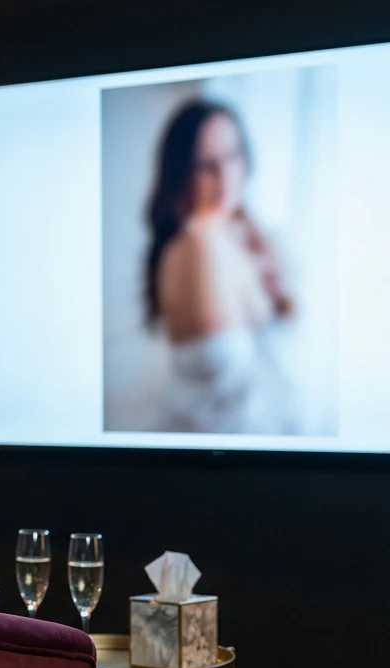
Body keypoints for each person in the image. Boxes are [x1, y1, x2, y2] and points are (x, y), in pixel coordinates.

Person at [143, 99, 297, 434]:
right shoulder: (200, 243)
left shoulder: (248, 235)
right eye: (205, 164)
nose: (224, 175)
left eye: (233, 156)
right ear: (181, 174)